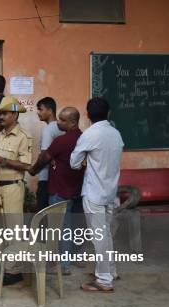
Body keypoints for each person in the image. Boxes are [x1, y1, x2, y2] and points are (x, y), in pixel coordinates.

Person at [70, 97, 123, 292]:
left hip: (94, 192)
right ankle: (109, 270)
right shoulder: (116, 134)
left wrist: (86, 162)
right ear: (108, 113)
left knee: (98, 236)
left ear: (87, 114)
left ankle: (104, 280)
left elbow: (74, 163)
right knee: (106, 233)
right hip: (110, 192)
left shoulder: (90, 134)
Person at [0, 96, 34, 286]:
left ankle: (15, 270)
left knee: (13, 229)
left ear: (15, 115)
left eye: (4, 113)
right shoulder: (0, 135)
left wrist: (1, 160)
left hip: (12, 187)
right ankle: (4, 264)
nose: (1, 116)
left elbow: (26, 164)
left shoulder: (23, 137)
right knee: (0, 229)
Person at [30, 107, 85, 275]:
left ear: (73, 123)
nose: (58, 122)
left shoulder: (62, 140)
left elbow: (44, 158)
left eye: (62, 120)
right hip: (78, 189)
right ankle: (77, 258)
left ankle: (64, 265)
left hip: (60, 191)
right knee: (76, 227)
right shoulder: (83, 138)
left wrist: (33, 170)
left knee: (60, 228)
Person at [30, 97, 65, 212]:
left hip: (46, 178)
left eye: (40, 109)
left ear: (50, 111)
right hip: (59, 178)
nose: (38, 112)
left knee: (43, 216)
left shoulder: (49, 129)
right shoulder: (62, 128)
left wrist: (34, 170)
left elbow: (45, 155)